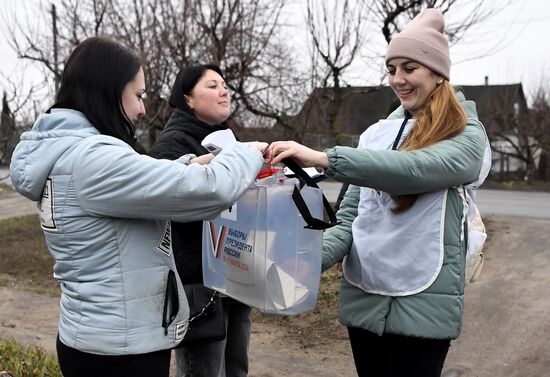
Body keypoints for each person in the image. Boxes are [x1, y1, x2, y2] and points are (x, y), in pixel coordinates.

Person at [9, 37, 267, 377]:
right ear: (109, 91)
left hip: (96, 337)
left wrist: (193, 162)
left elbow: (150, 179)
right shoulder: (93, 158)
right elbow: (210, 191)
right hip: (121, 351)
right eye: (139, 95)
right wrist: (246, 153)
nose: (143, 109)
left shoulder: (71, 153)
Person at [267, 9, 490, 377]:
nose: (397, 79)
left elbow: (414, 170)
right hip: (365, 296)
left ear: (438, 73)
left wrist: (325, 158)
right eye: (391, 69)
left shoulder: (465, 133)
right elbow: (350, 222)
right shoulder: (376, 134)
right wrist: (301, 261)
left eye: (409, 68)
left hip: (424, 301)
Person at [149, 64, 252, 377]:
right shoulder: (172, 145)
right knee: (202, 372)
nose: (224, 91)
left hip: (233, 277)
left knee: (236, 369)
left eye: (224, 84)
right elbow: (163, 201)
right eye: (212, 85)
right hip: (199, 285)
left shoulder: (226, 141)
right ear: (188, 99)